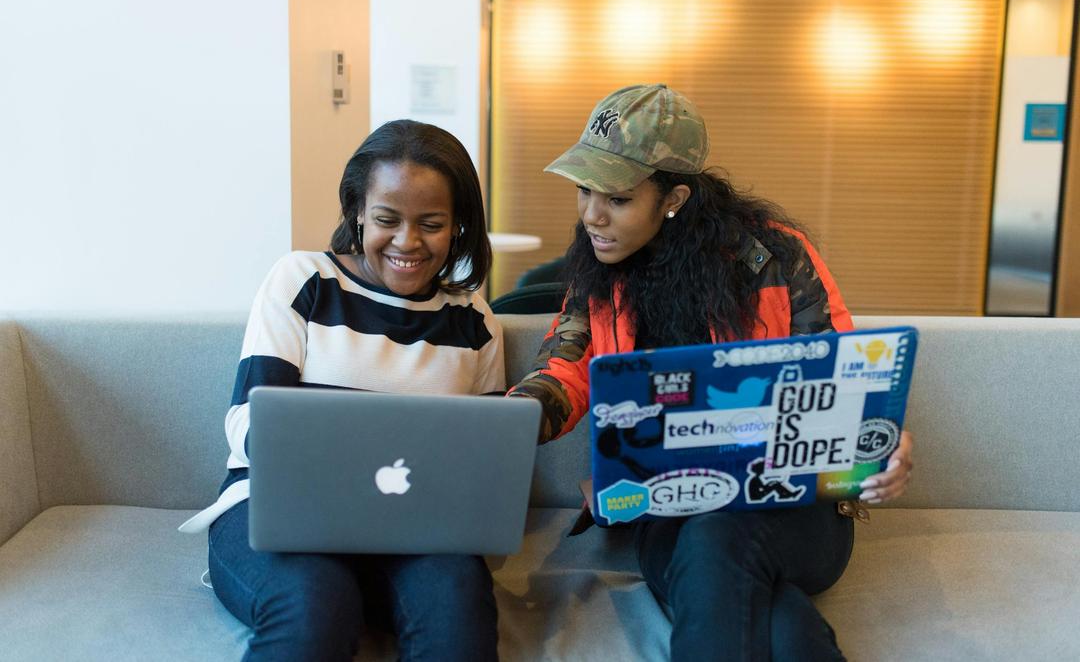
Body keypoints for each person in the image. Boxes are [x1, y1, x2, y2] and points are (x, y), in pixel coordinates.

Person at [508, 84, 914, 661]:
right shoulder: (599, 267)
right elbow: (566, 365)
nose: (592, 215)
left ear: (673, 197)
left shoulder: (775, 258)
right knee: (783, 626)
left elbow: (840, 377)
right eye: (584, 189)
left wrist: (882, 443)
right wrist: (517, 415)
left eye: (617, 199)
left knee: (716, 536)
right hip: (667, 508)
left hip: (793, 508)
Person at [179, 120, 504, 661]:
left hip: (417, 532)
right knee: (314, 609)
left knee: (458, 612)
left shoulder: (474, 320)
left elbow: (491, 456)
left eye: (431, 223)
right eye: (386, 219)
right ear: (357, 211)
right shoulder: (303, 280)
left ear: (459, 227)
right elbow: (245, 425)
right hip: (277, 514)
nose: (407, 241)